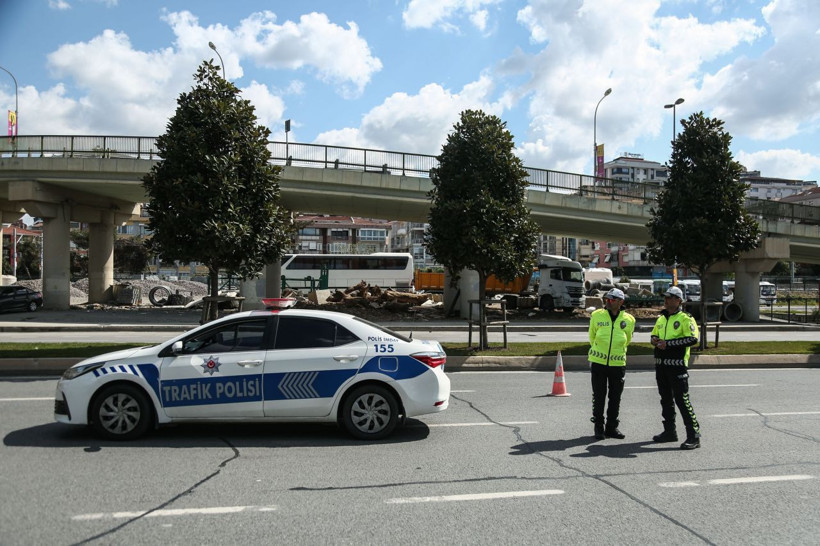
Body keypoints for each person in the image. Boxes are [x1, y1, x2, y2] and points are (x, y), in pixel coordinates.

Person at [650, 286, 701, 450]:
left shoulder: (686, 318)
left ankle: (694, 436)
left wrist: (668, 344)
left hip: (677, 367)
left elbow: (693, 339)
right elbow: (653, 334)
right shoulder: (662, 318)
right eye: (665, 297)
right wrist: (655, 340)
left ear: (679, 300)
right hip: (661, 365)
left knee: (682, 400)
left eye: (670, 297)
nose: (666, 300)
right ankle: (669, 432)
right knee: (665, 400)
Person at [588, 288, 635, 440]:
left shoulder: (629, 319)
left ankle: (612, 427)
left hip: (618, 363)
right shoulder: (596, 315)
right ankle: (598, 427)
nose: (608, 302)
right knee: (599, 396)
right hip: (599, 362)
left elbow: (627, 339)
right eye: (607, 299)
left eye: (612, 300)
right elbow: (592, 336)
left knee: (615, 397)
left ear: (621, 302)